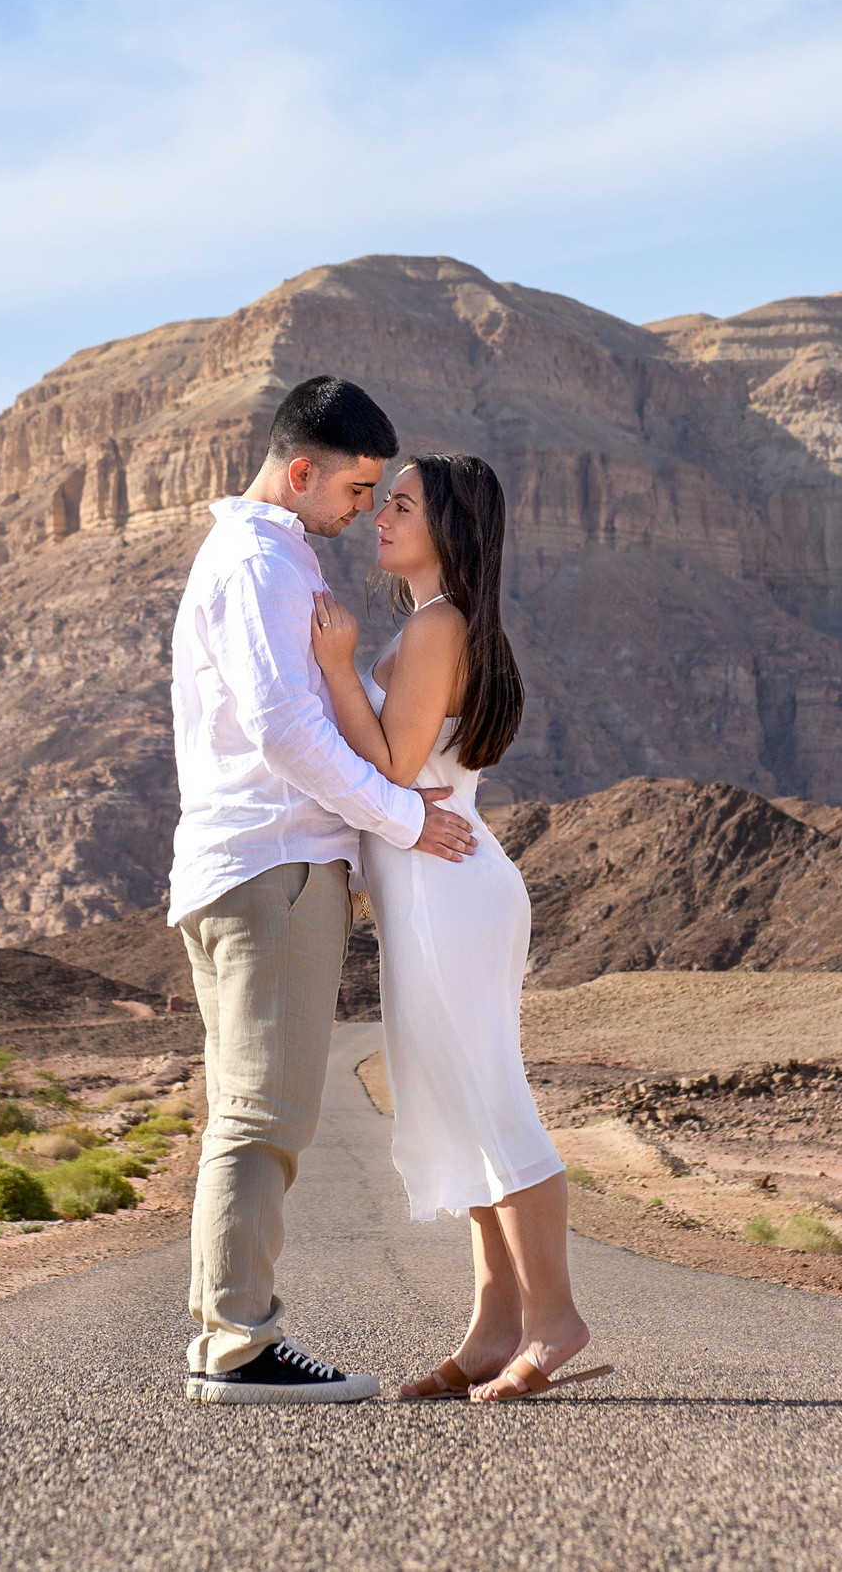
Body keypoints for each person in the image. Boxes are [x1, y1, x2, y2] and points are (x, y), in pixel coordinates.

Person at [171, 376, 480, 1404]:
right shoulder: (259, 560)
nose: (361, 511)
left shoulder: (262, 555)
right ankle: (239, 1346)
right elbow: (284, 732)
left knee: (245, 1111)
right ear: (300, 472)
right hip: (275, 868)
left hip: (245, 867)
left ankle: (225, 1331)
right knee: (263, 1115)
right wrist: (402, 820)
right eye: (354, 489)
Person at [309, 453, 603, 1402]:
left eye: (401, 505)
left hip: (453, 890)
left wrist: (339, 666)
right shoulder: (425, 625)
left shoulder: (437, 627)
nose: (380, 517)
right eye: (382, 501)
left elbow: (394, 766)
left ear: (450, 529)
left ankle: (554, 1320)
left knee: (490, 1098)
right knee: (451, 1103)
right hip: (427, 890)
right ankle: (492, 1327)